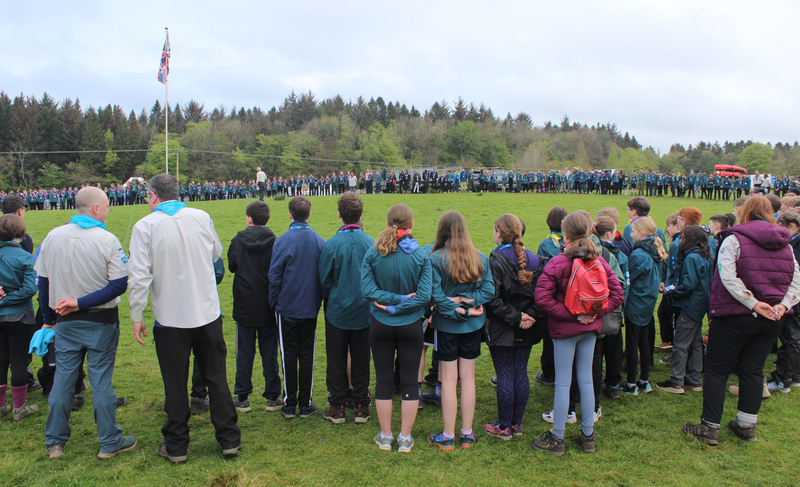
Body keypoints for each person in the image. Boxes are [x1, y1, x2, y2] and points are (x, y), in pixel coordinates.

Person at [129, 174, 240, 464]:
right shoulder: (201, 217)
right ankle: (229, 438)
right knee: (216, 377)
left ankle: (177, 445)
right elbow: (216, 254)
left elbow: (138, 276)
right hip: (205, 313)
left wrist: (136, 314)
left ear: (153, 196)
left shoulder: (145, 226)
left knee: (175, 382)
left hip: (172, 318)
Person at [684, 196, 800, 444]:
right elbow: (795, 281)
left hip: (736, 315)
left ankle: (711, 426)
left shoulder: (734, 238)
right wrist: (783, 305)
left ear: (744, 212)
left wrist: (755, 303)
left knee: (717, 369)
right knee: (752, 369)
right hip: (771, 316)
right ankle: (747, 424)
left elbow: (727, 275)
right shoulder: (786, 245)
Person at [38, 187, 136, 460]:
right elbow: (119, 285)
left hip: (65, 321)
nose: (108, 211)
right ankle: (109, 442)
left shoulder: (52, 236)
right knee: (101, 381)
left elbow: (43, 284)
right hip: (99, 322)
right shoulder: (106, 239)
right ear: (95, 209)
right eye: (106, 206)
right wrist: (79, 303)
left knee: (63, 379)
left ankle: (54, 442)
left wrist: (49, 319)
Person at [532, 212, 624, 456]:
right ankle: (588, 436)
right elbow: (617, 294)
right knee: (586, 380)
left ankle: (558, 438)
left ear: (565, 235)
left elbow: (541, 298)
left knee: (563, 382)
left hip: (565, 330)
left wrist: (572, 315)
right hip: (589, 330)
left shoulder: (558, 261)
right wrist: (594, 314)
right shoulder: (600, 260)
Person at [361, 204, 432, 453]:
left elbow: (368, 290)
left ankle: (385, 436)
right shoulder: (421, 255)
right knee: (410, 382)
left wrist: (390, 305)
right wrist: (401, 302)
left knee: (383, 381)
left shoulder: (374, 252)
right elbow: (424, 296)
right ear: (411, 225)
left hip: (380, 324)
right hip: (411, 325)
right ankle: (404, 438)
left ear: (388, 222)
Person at [426, 211, 494, 450]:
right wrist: (466, 308)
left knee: (449, 380)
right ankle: (466, 433)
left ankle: (448, 436)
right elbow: (486, 292)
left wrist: (459, 301)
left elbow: (436, 298)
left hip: (447, 326)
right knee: (467, 378)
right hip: (471, 325)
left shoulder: (435, 259)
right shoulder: (479, 257)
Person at [484, 214, 546, 440]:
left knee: (505, 374)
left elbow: (491, 298)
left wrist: (521, 317)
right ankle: (516, 423)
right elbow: (542, 296)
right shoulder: (536, 259)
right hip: (525, 325)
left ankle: (504, 426)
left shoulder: (496, 261)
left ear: (499, 233)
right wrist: (525, 317)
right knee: (520, 372)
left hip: (504, 325)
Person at [319, 194, 375, 424]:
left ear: (339, 214)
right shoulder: (370, 243)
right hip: (360, 311)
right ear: (360, 215)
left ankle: (339, 405)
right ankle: (360, 405)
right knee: (361, 357)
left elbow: (324, 279)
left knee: (337, 358)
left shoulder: (332, 244)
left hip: (340, 311)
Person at [268, 196, 325, 420]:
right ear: (308, 214)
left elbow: (274, 275)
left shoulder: (283, 241)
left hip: (290, 307)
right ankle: (301, 402)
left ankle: (293, 403)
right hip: (304, 307)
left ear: (289, 214)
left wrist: (274, 302)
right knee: (305, 354)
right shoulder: (319, 241)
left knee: (289, 355)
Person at [227, 201, 283, 413]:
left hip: (248, 304)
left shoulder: (271, 241)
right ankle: (271, 396)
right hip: (266, 304)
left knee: (245, 352)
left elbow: (232, 265)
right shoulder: (274, 242)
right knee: (269, 353)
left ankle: (243, 396)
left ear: (249, 218)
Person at [657, 226, 712, 394]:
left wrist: (673, 293)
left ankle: (676, 381)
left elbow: (689, 284)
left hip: (690, 304)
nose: (680, 241)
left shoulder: (692, 258)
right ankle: (694, 379)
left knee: (680, 343)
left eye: (683, 238)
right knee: (695, 342)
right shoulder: (705, 255)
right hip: (700, 304)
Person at [621, 217, 667, 395]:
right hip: (648, 302)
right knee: (644, 342)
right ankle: (644, 380)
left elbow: (629, 278)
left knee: (632, 343)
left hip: (636, 303)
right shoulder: (655, 249)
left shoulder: (638, 254)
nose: (631, 235)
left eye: (633, 231)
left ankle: (631, 384)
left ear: (641, 233)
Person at [0, 215, 38, 421]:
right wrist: (7, 301)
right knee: (18, 360)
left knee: (1, 359)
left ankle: (1, 405)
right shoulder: (25, 257)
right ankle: (19, 407)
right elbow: (31, 288)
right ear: (21, 232)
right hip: (20, 315)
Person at [767, 210, 800, 392]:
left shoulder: (795, 245)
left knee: (789, 339)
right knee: (793, 339)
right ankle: (794, 376)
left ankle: (783, 380)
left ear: (792, 226)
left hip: (793, 299)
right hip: (793, 297)